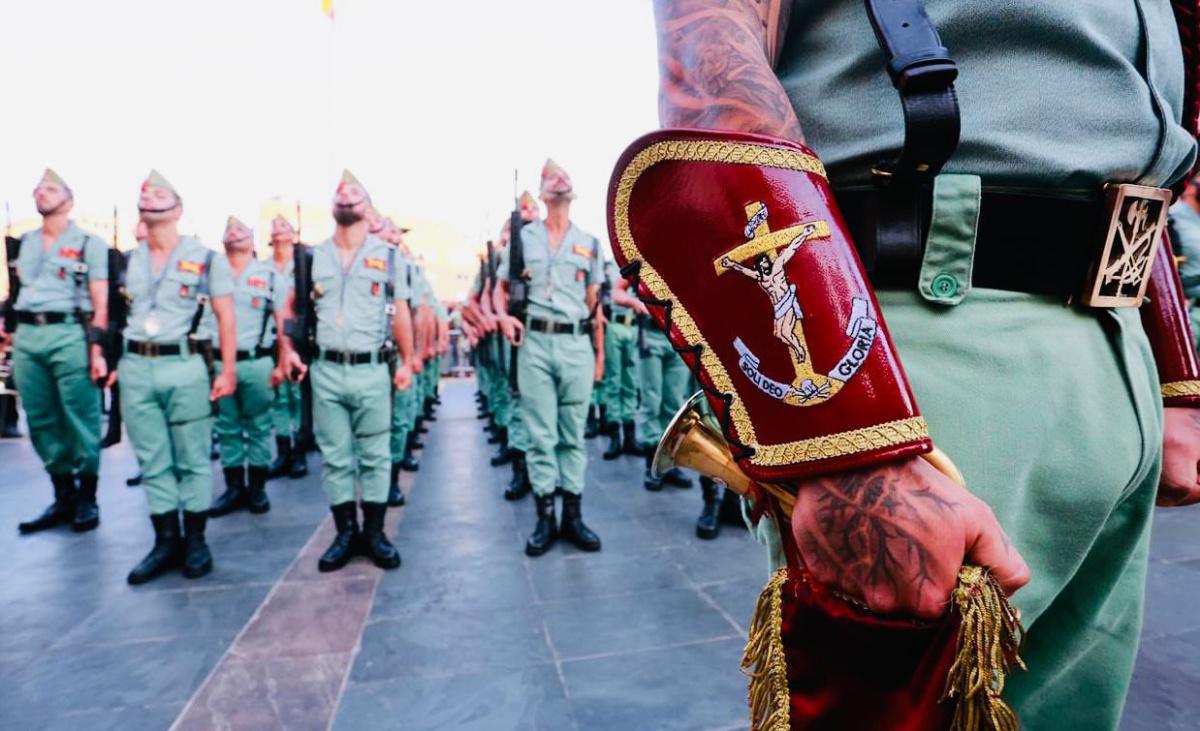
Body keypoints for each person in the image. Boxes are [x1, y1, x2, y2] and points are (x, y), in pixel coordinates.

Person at [651, 1, 1200, 726]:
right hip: (915, 350)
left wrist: (1172, 378)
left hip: (1116, 347)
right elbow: (708, 52)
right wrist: (849, 440)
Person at [279, 170, 414, 572]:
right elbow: (287, 308)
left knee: (375, 455)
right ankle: (344, 533)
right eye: (340, 192)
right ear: (333, 208)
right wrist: (287, 349)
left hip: (373, 368)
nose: (346, 196)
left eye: (355, 192)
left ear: (367, 207)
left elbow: (401, 312)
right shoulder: (311, 258)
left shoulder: (388, 257)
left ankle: (374, 534)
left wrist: (407, 360)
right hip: (326, 370)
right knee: (336, 457)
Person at [120, 170, 237, 584]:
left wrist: (227, 370)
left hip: (186, 364)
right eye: (145, 197)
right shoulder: (127, 261)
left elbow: (225, 316)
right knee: (153, 458)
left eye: (161, 196)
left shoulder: (206, 259)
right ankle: (166, 540)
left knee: (192, 457)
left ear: (178, 209)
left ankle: (196, 540)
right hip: (136, 365)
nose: (151, 200)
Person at [496, 159, 604, 556]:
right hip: (535, 343)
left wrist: (599, 357)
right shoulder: (522, 242)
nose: (557, 186)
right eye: (549, 182)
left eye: (563, 181)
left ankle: (572, 516)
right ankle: (546, 516)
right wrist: (503, 316)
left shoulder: (589, 244)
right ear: (542, 195)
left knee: (572, 434)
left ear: (572, 193)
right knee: (541, 435)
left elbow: (595, 307)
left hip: (576, 344)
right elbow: (498, 291)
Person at [6, 169, 109, 534]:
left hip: (69, 332)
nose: (41, 193)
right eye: (38, 189)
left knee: (80, 414)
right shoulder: (23, 243)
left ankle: (87, 497)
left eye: (50, 189)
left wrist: (97, 350)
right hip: (28, 336)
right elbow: (17, 293)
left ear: (69, 199)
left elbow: (100, 301)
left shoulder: (88, 243)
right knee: (40, 417)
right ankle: (62, 494)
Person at [208, 216, 284, 517]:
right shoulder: (212, 273)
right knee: (226, 427)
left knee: (258, 425)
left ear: (253, 240)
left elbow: (282, 324)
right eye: (229, 230)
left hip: (256, 362)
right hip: (217, 361)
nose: (234, 233)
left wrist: (281, 363)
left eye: (241, 230)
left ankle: (257, 489)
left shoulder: (268, 276)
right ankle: (234, 487)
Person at [266, 214, 308, 479]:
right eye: (274, 226)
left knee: (297, 396)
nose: (278, 230)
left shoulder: (303, 266)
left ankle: (299, 452)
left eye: (284, 226)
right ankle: (283, 451)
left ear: (294, 235)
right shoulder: (263, 268)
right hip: (270, 338)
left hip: (296, 339)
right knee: (278, 397)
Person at [598, 259, 639, 461]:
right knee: (614, 382)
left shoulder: (634, 261)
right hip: (614, 326)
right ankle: (615, 435)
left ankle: (630, 436)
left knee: (630, 382)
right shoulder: (607, 266)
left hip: (634, 327)